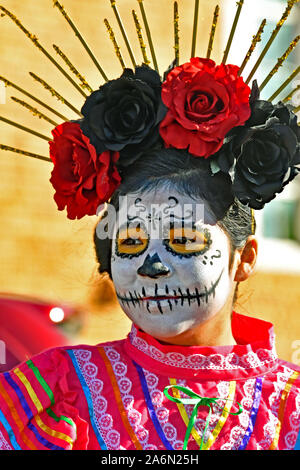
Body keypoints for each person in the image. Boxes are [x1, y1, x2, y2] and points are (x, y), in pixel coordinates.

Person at [0, 1, 299, 451]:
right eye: (132, 242)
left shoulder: (290, 410)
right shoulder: (52, 394)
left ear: (245, 257)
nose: (151, 266)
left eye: (184, 240)